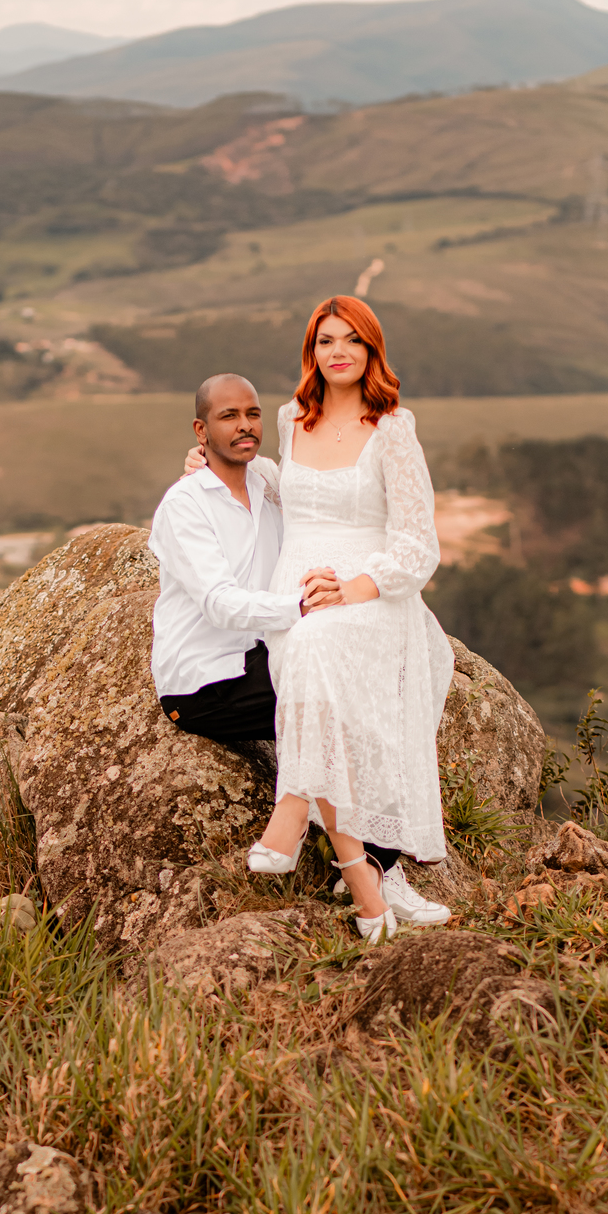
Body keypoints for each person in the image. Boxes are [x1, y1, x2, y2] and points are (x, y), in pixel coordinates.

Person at [149, 367, 451, 932]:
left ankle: (348, 866)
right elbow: (218, 602)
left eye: (253, 414)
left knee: (357, 680)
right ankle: (369, 876)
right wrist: (302, 609)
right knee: (339, 701)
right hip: (204, 683)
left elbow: (319, 494)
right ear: (200, 429)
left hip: (261, 655)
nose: (245, 426)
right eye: (228, 417)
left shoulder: (266, 490)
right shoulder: (185, 505)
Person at [248, 295, 454, 941]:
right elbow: (293, 495)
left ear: (371, 351)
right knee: (305, 639)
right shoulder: (290, 420)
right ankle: (369, 876)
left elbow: (420, 544)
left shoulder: (392, 428)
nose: (338, 352)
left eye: (351, 341)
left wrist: (357, 587)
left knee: (317, 645)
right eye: (325, 340)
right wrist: (226, 464)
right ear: (312, 351)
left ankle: (295, 806)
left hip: (369, 597)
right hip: (298, 589)